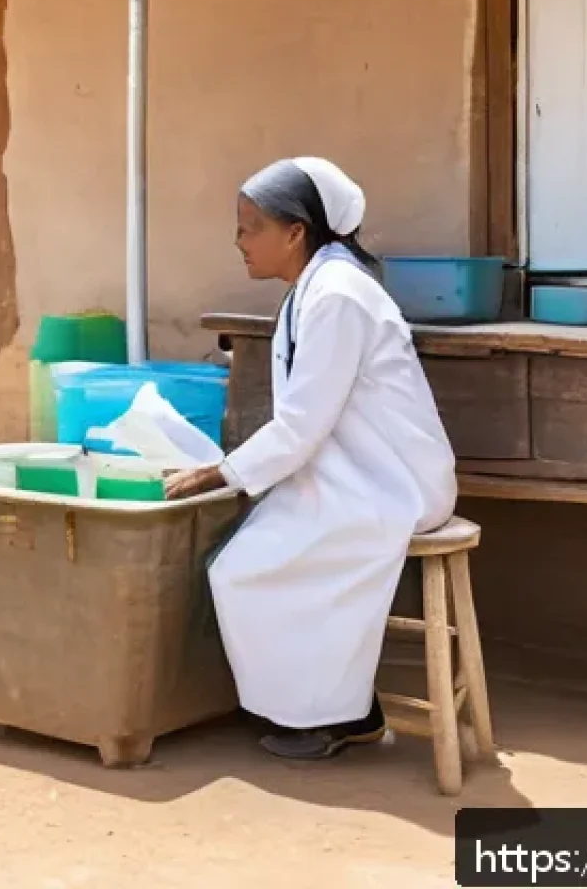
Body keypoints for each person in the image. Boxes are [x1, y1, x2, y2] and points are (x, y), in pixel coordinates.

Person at [165, 157, 457, 760]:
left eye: (250, 227)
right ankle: (332, 707)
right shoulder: (316, 288)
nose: (238, 241)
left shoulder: (338, 295)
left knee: (254, 566)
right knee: (241, 563)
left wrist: (221, 473)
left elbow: (301, 424)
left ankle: (338, 715)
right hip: (352, 472)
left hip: (393, 483)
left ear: (295, 231)